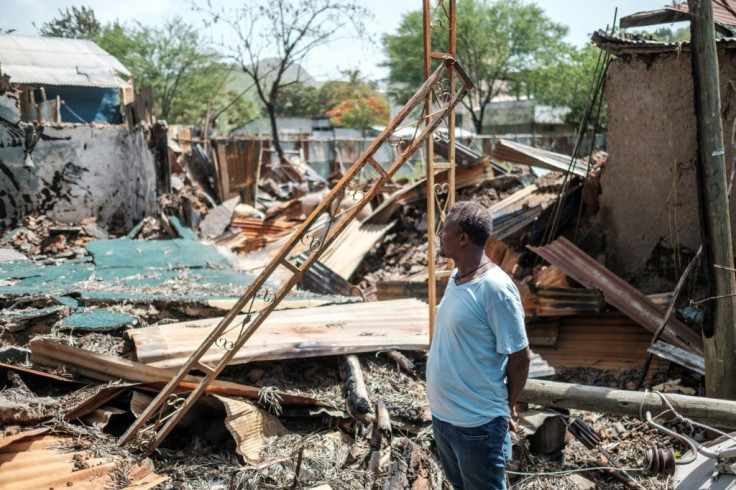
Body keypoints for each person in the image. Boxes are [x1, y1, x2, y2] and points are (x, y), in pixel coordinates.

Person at [427, 200, 531, 490]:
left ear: (462, 239)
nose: (439, 236)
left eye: (444, 230)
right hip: (445, 419)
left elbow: (520, 357)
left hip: (477, 426)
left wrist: (507, 405)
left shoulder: (495, 289)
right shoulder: (456, 277)